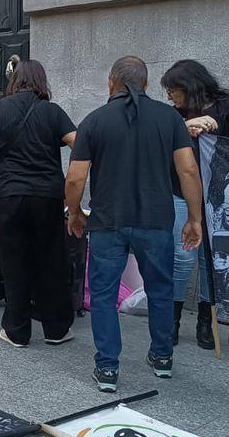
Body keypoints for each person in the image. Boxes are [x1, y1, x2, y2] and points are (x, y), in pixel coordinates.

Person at [65, 56, 204, 392]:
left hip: (107, 221)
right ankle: (162, 357)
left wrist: (74, 213)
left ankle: (108, 368)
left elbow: (75, 178)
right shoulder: (169, 118)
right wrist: (195, 219)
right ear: (146, 83)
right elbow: (188, 171)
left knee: (102, 294)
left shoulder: (94, 121)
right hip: (156, 220)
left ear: (111, 82)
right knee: (160, 290)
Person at [0, 59, 76, 347]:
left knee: (13, 262)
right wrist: (71, 184)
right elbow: (78, 143)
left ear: (14, 80)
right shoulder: (52, 111)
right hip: (47, 195)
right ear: (42, 81)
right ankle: (56, 329)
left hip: (8, 194)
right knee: (51, 261)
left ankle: (17, 331)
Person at [160, 59, 229, 349]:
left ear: (189, 87)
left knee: (210, 261)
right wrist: (185, 128)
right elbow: (158, 144)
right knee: (182, 256)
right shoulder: (172, 115)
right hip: (179, 193)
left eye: (173, 90)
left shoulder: (228, 107)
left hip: (219, 194)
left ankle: (206, 322)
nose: (170, 97)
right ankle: (171, 322)